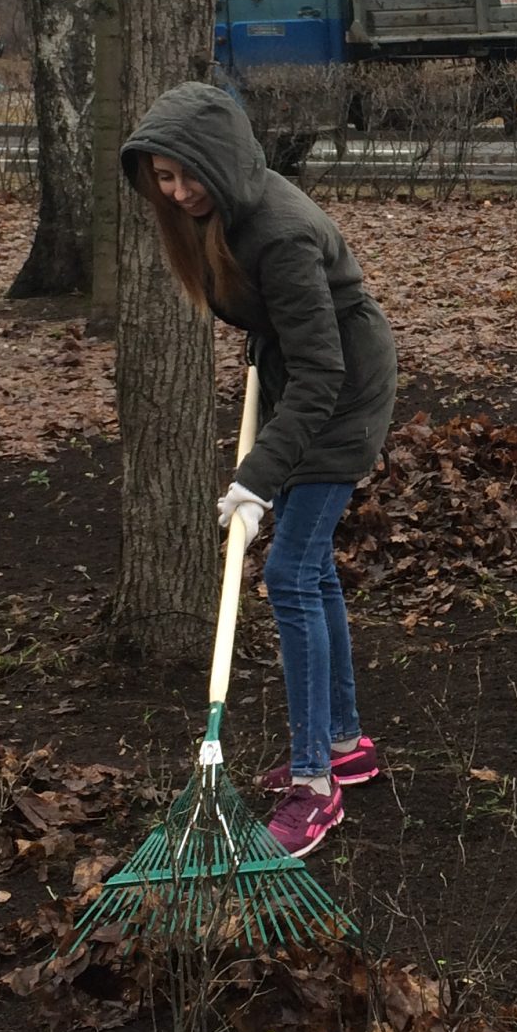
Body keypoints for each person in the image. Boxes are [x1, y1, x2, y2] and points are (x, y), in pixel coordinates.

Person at [122, 82, 397, 859]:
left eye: (188, 175)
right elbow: (285, 330)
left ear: (224, 158)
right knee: (311, 572)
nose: (178, 193)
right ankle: (344, 744)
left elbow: (322, 371)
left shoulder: (278, 230)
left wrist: (256, 479)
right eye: (163, 180)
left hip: (341, 391)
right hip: (310, 377)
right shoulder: (226, 216)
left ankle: (316, 787)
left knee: (289, 571)